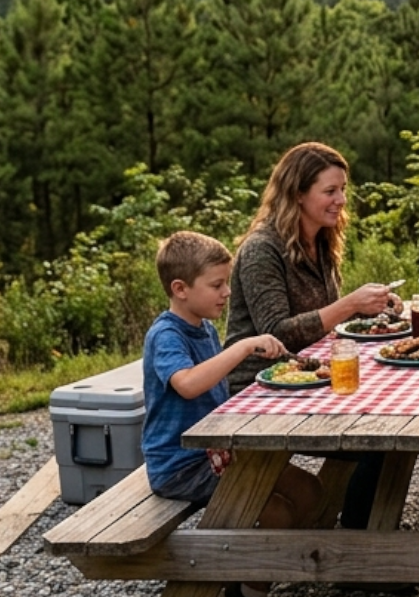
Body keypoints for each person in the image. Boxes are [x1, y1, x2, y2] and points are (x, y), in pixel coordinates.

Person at [223, 141, 399, 529]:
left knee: (390, 422)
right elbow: (278, 333)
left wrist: (376, 310)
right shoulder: (261, 250)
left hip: (310, 380)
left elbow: (325, 323)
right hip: (258, 391)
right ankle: (354, 546)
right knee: (377, 442)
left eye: (343, 190)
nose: (341, 200)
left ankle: (353, 539)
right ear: (298, 194)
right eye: (330, 191)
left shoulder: (321, 241)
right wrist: (350, 305)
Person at [142, 230, 320, 583]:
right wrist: (240, 348)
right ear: (181, 289)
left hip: (217, 450)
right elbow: (189, 384)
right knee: (277, 512)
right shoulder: (166, 335)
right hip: (181, 464)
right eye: (217, 285)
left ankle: (285, 561)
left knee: (310, 491)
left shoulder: (204, 328)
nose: (227, 292)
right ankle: (248, 586)